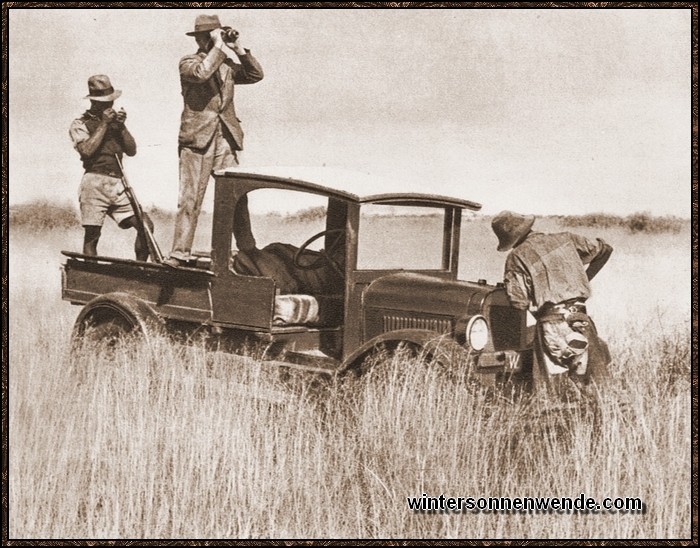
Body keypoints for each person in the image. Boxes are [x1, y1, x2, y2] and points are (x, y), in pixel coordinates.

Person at [165, 14, 264, 268]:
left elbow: (255, 75)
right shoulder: (188, 62)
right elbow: (201, 73)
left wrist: (238, 48)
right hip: (197, 139)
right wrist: (219, 46)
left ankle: (248, 248)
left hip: (225, 136)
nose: (214, 38)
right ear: (199, 38)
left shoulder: (226, 64)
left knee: (236, 196)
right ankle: (179, 253)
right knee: (190, 198)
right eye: (211, 34)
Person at [491, 211, 613, 397]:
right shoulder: (566, 239)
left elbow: (518, 302)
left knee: (549, 388)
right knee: (596, 382)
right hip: (581, 318)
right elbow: (605, 249)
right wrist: (582, 280)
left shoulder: (516, 257)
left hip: (553, 324)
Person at [69, 74, 153, 261]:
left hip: (118, 182)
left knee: (145, 224)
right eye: (104, 102)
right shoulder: (80, 124)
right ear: (94, 101)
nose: (109, 105)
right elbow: (87, 151)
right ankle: (90, 276)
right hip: (94, 183)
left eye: (111, 101)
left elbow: (131, 151)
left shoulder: (116, 124)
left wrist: (121, 127)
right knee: (92, 236)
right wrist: (105, 124)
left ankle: (140, 269)